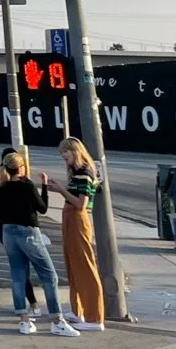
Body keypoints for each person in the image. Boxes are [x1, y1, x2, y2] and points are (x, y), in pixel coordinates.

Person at [0, 149, 75, 336]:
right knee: (48, 275)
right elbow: (42, 208)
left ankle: (24, 321)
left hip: (7, 232)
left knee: (18, 276)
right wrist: (44, 186)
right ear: (21, 167)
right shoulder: (26, 186)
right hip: (27, 231)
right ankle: (57, 320)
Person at [59, 136, 107, 329]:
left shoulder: (84, 173)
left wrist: (61, 190)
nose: (63, 156)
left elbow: (81, 204)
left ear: (75, 151)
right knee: (73, 264)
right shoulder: (76, 172)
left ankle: (94, 317)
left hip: (78, 219)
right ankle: (78, 310)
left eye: (65, 152)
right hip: (70, 218)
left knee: (85, 265)